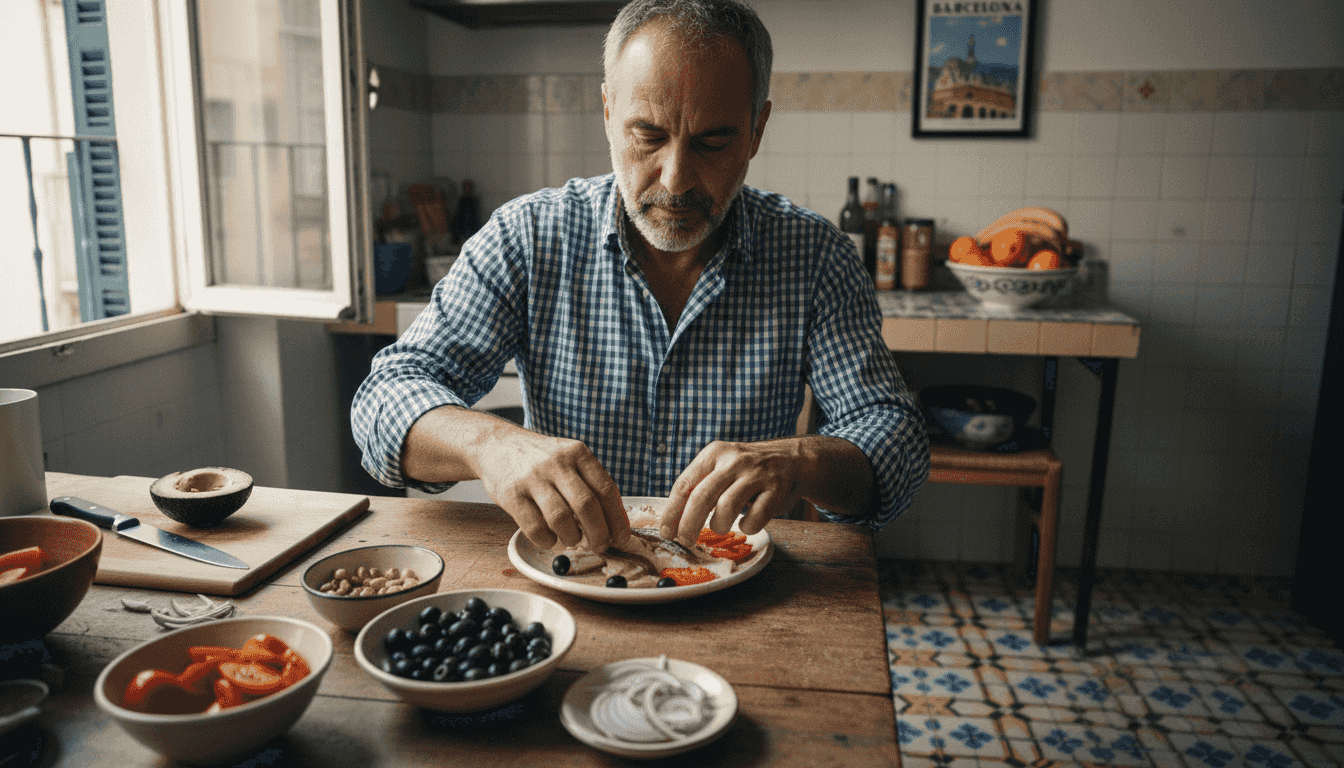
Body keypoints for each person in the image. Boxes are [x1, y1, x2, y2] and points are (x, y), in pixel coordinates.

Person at [351, 0, 928, 554]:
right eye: (647, 135)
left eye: (713, 140)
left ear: (756, 129)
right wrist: (490, 443)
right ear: (607, 113)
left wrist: (801, 462)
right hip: (573, 583)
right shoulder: (527, 237)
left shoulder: (815, 256)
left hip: (729, 586)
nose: (675, 180)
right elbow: (382, 400)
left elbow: (895, 437)